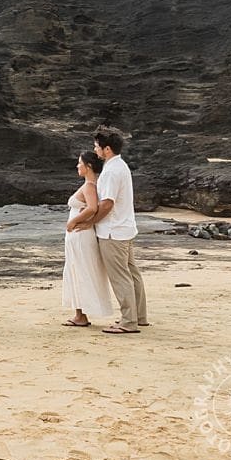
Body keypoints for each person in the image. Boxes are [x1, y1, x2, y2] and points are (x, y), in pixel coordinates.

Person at [71, 127, 148, 334]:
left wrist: (91, 223)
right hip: (125, 229)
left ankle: (128, 321)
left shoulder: (112, 171)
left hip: (113, 232)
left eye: (96, 146)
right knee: (132, 274)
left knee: (120, 276)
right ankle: (139, 317)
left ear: (106, 149)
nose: (94, 150)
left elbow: (106, 204)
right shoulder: (120, 166)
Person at [61, 151, 114, 326]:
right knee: (76, 269)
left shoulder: (90, 186)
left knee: (80, 269)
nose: (77, 166)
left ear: (88, 166)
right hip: (77, 235)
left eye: (79, 163)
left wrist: (75, 221)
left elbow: (92, 208)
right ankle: (79, 314)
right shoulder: (88, 185)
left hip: (80, 235)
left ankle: (81, 315)